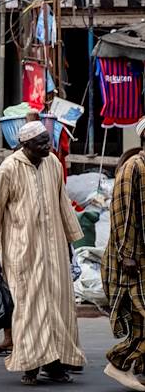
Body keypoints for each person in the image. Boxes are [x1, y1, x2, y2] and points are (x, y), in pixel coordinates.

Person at [0, 120, 86, 385]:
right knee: (29, 308)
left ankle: (55, 363)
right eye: (41, 143)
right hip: (23, 248)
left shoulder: (53, 163)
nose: (48, 146)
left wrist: (70, 243)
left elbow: (63, 202)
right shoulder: (9, 168)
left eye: (48, 141)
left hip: (54, 248)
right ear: (25, 145)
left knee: (57, 305)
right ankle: (30, 365)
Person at [103, 118, 145, 391]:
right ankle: (118, 363)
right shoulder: (134, 167)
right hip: (132, 258)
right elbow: (123, 214)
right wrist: (127, 254)